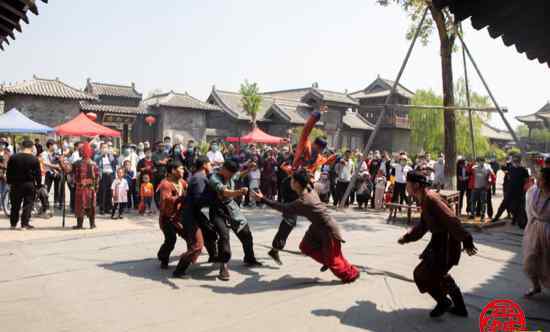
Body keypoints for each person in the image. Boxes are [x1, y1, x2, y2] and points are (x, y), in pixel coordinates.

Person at [253, 169, 360, 283]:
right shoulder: (309, 187)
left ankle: (351, 275)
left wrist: (263, 199)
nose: (290, 182)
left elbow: (283, 207)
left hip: (328, 229)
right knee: (306, 246)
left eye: (292, 180)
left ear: (297, 183)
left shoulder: (303, 201)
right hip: (317, 226)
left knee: (334, 259)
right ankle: (328, 261)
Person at [398, 171, 477, 318]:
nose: (406, 187)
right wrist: (408, 237)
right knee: (439, 275)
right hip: (439, 242)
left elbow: (451, 219)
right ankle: (459, 307)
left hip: (446, 243)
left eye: (408, 184)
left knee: (422, 274)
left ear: (416, 185)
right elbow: (423, 225)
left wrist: (466, 238)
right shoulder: (424, 199)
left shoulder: (431, 199)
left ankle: (443, 302)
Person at [206, 159, 261, 281]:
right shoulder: (214, 178)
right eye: (230, 173)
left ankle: (249, 258)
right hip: (218, 211)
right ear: (224, 169)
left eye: (232, 174)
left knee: (246, 232)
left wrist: (248, 169)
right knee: (224, 236)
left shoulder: (230, 174)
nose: (231, 176)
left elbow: (238, 175)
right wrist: (239, 192)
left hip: (232, 209)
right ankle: (223, 265)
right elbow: (225, 192)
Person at [172, 156, 219, 277]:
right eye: (210, 164)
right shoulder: (199, 178)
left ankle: (214, 257)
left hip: (194, 212)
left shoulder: (199, 176)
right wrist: (216, 197)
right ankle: (179, 270)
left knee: (210, 232)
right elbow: (199, 200)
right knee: (198, 245)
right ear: (204, 165)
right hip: (190, 215)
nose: (211, 166)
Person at [523, 167, 550, 297]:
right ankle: (535, 286)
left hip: (548, 230)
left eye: (541, 179)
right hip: (535, 229)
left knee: (547, 261)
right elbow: (529, 210)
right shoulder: (533, 192)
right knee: (530, 258)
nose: (537, 181)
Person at [157, 161, 187, 269]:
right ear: (173, 171)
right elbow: (166, 199)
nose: (183, 171)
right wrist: (180, 198)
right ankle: (163, 258)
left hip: (180, 217)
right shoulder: (165, 184)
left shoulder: (182, 182)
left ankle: (190, 256)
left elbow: (188, 191)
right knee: (171, 239)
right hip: (167, 217)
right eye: (181, 169)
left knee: (189, 235)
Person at [6, 140, 41, 229]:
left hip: (15, 184)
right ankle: (24, 224)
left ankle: (13, 224)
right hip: (29, 184)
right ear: (32, 147)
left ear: (22, 146)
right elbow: (38, 174)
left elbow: (8, 172)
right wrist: (39, 185)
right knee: (28, 204)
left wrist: (9, 182)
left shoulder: (13, 157)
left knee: (15, 204)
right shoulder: (34, 159)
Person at [68, 142, 99, 229]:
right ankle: (92, 224)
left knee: (80, 206)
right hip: (90, 189)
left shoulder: (78, 163)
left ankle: (80, 225)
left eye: (81, 150)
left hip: (81, 189)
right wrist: (96, 188)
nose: (80, 151)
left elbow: (68, 170)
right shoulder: (94, 164)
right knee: (91, 206)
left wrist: (61, 161)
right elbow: (97, 178)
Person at [497, 155, 530, 228]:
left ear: (520, 161)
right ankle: (496, 217)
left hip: (520, 191)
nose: (516, 162)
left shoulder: (524, 170)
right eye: (514, 161)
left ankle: (515, 220)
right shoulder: (511, 168)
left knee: (518, 207)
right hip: (510, 190)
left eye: (517, 161)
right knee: (504, 203)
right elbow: (504, 170)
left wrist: (525, 189)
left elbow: (527, 180)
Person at [468, 157, 493, 221]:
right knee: (473, 202)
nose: (480, 162)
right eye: (479, 161)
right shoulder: (474, 168)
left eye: (481, 161)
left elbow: (493, 177)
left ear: (484, 161)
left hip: (483, 188)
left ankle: (482, 216)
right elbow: (467, 170)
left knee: (483, 203)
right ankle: (472, 214)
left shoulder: (488, 168)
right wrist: (471, 163)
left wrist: (489, 185)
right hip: (475, 188)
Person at [95, 143, 117, 214]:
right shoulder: (98, 157)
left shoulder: (111, 156)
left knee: (109, 192)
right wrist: (102, 155)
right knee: (102, 192)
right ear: (100, 149)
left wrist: (110, 154)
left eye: (106, 147)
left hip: (110, 175)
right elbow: (97, 165)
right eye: (103, 148)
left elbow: (114, 164)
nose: (105, 149)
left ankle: (109, 207)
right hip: (103, 175)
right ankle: (102, 208)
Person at [41, 139, 63, 209]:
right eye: (54, 145)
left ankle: (56, 203)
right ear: (50, 145)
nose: (55, 146)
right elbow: (45, 163)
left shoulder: (57, 153)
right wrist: (54, 167)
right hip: (49, 173)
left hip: (57, 173)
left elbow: (60, 162)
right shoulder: (44, 153)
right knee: (46, 190)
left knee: (58, 189)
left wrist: (61, 159)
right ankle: (45, 204)